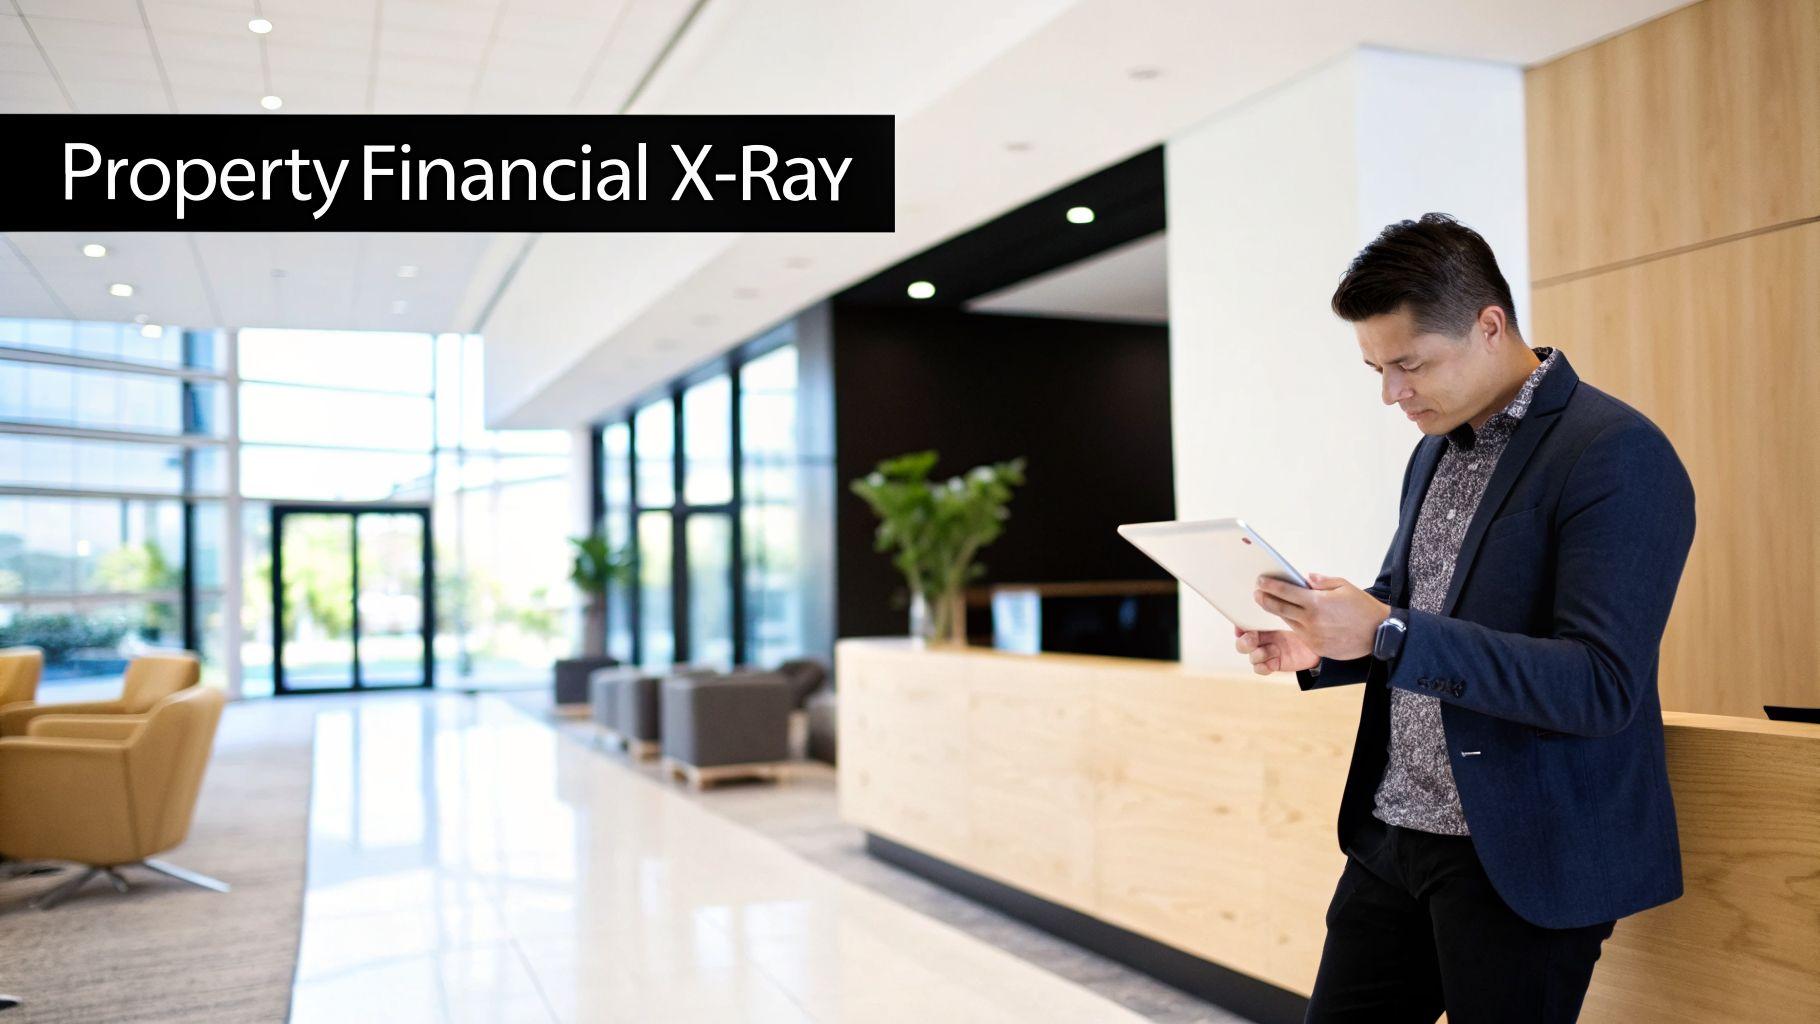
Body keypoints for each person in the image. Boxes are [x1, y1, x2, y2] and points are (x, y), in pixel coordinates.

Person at [1234, 213, 1695, 1023]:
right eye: (1376, 369)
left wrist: (1386, 632)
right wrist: (1320, 646)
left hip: (1524, 851)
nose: (1392, 393)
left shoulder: (1616, 451)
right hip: (1395, 836)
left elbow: (1598, 683)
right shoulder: (1436, 447)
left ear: (1490, 326)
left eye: (1409, 364)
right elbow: (1407, 610)